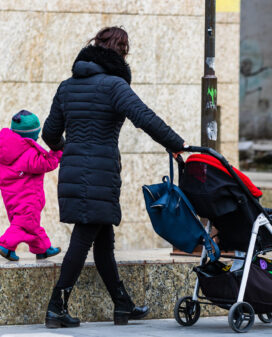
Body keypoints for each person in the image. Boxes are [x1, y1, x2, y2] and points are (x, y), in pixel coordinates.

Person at [41, 26, 186, 328]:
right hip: (100, 171)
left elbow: (50, 134)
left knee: (103, 238)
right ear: (121, 52)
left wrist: (70, 149)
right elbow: (145, 118)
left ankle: (122, 305)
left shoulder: (67, 86)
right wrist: (177, 145)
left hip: (74, 169)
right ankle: (57, 306)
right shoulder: (114, 86)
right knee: (83, 237)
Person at [0, 110, 63, 261]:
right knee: (23, 224)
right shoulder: (26, 153)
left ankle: (43, 249)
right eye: (36, 135)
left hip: (11, 195)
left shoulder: (7, 149)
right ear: (29, 135)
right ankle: (6, 246)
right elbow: (47, 163)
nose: (37, 138)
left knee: (30, 224)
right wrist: (58, 151)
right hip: (28, 196)